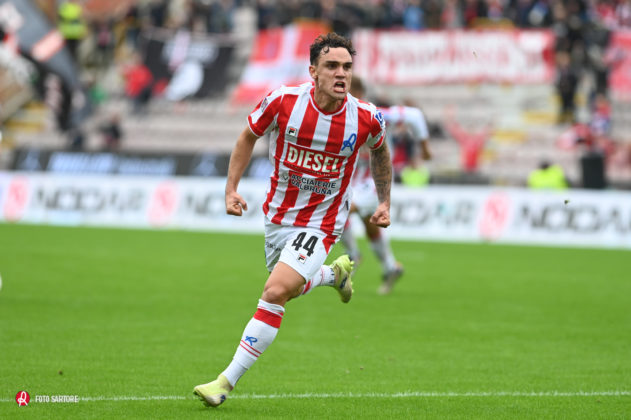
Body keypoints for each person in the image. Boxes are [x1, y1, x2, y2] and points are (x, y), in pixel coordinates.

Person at [193, 33, 392, 408]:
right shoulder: (283, 101)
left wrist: (384, 201)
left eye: (347, 67)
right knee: (287, 285)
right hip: (278, 217)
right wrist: (231, 189)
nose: (341, 74)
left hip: (322, 223)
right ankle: (333, 275)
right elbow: (247, 137)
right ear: (313, 71)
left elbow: (381, 151)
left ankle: (224, 382)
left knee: (275, 292)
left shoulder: (365, 117)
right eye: (332, 66)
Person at [340, 75, 431, 295]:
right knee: (369, 225)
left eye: (344, 92)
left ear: (357, 94)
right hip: (353, 180)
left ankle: (353, 255)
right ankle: (391, 266)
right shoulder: (338, 116)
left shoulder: (377, 114)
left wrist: (424, 148)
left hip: (375, 180)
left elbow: (415, 115)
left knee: (338, 209)